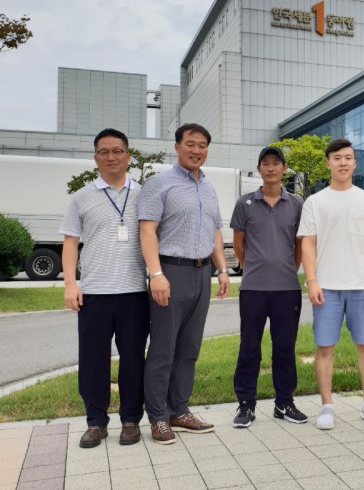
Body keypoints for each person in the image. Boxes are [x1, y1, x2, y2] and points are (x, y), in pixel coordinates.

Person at [138, 123, 230, 445]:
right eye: (190, 144)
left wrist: (222, 270)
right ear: (177, 146)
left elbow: (215, 231)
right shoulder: (159, 184)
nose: (197, 150)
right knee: (163, 348)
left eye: (202, 145)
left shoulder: (209, 187)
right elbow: (147, 230)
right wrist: (156, 273)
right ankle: (158, 417)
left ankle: (179, 410)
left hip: (202, 273)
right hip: (171, 273)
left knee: (189, 348)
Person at [61, 128, 149, 448]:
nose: (111, 157)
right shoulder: (81, 197)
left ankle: (130, 419)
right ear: (95, 157)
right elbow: (70, 243)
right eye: (104, 151)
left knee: (133, 358)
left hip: (134, 292)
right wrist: (71, 284)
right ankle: (96, 422)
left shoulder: (144, 195)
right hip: (94, 292)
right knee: (93, 360)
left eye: (117, 151)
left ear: (128, 156)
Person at [298, 138, 364, 430]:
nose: (343, 163)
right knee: (325, 347)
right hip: (326, 287)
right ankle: (326, 406)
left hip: (362, 285)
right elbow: (308, 244)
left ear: (354, 163)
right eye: (337, 158)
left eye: (348, 158)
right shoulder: (314, 202)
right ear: (328, 163)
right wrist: (311, 281)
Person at [230, 146, 306, 427]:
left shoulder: (297, 203)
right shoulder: (245, 203)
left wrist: (288, 269)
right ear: (259, 169)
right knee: (249, 346)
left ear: (284, 168)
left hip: (287, 288)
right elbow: (239, 245)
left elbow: (300, 245)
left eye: (276, 163)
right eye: (266, 163)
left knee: (284, 347)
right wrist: (253, 267)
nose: (271, 168)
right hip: (253, 288)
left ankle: (284, 402)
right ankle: (245, 405)